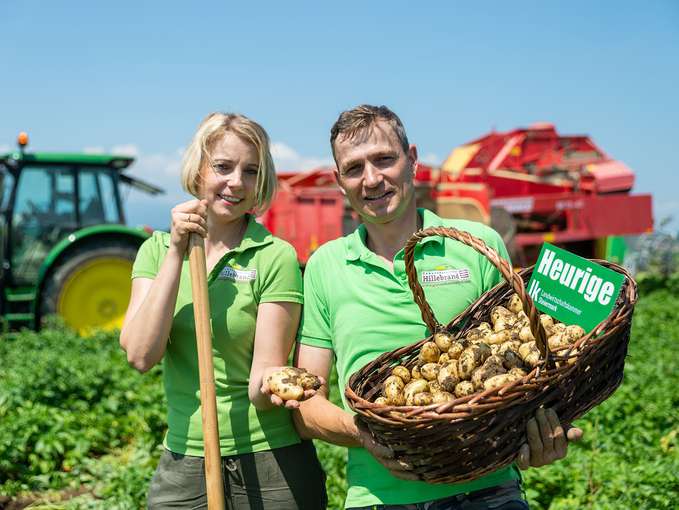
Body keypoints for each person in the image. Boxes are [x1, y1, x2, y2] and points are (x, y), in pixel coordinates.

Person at [293, 105, 583, 509]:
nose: (373, 179)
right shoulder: (324, 266)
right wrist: (364, 432)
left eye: (384, 159)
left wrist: (542, 430)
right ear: (339, 181)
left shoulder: (476, 245)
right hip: (378, 498)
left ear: (412, 161)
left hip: (486, 492)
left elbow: (527, 360)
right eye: (355, 168)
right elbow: (306, 404)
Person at [120, 112, 327, 510]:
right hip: (185, 457)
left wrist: (277, 385)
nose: (236, 182)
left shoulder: (274, 257)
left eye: (250, 171)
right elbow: (141, 355)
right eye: (223, 167)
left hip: (269, 461)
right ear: (198, 169)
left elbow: (263, 379)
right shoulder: (157, 251)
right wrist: (177, 252)